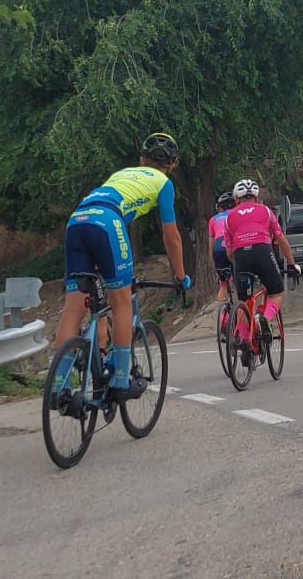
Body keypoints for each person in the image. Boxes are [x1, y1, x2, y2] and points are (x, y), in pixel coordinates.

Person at [52, 132, 192, 402]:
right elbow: (171, 237)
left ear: (141, 159)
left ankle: (59, 385)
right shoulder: (164, 183)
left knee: (75, 308)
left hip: (77, 221)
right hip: (107, 222)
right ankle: (118, 382)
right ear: (172, 166)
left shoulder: (123, 173)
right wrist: (181, 275)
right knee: (122, 302)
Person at [223, 179, 296, 350]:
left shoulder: (229, 217)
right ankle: (265, 318)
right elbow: (281, 240)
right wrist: (292, 264)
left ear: (236, 199)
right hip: (263, 252)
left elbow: (229, 252)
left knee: (243, 300)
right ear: (255, 197)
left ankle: (242, 338)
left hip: (241, 256)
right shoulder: (266, 211)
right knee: (277, 293)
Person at [210, 191, 235, 303]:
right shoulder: (236, 214)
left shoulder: (213, 219)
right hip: (232, 246)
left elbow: (210, 245)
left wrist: (214, 266)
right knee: (241, 281)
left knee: (223, 285)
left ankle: (222, 316)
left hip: (218, 249)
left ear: (219, 208)